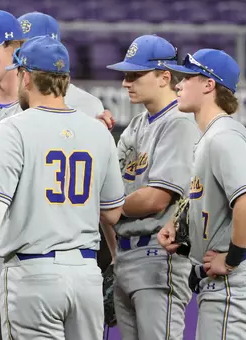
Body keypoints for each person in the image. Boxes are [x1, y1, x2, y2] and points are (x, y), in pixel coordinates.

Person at [0, 9, 114, 340]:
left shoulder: (81, 106)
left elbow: (102, 198)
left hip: (35, 253)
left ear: (16, 49)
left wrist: (114, 257)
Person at [158, 49, 246, 340]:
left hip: (236, 277)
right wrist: (185, 238)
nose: (178, 84)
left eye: (187, 78)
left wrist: (232, 259)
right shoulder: (212, 136)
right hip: (231, 279)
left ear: (208, 84)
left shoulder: (223, 136)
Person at [101, 34, 199, 340]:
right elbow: (105, 187)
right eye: (126, 75)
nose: (125, 83)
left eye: (136, 75)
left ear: (164, 76)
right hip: (126, 257)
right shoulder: (136, 125)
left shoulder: (180, 123)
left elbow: (156, 199)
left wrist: (111, 206)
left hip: (159, 256)